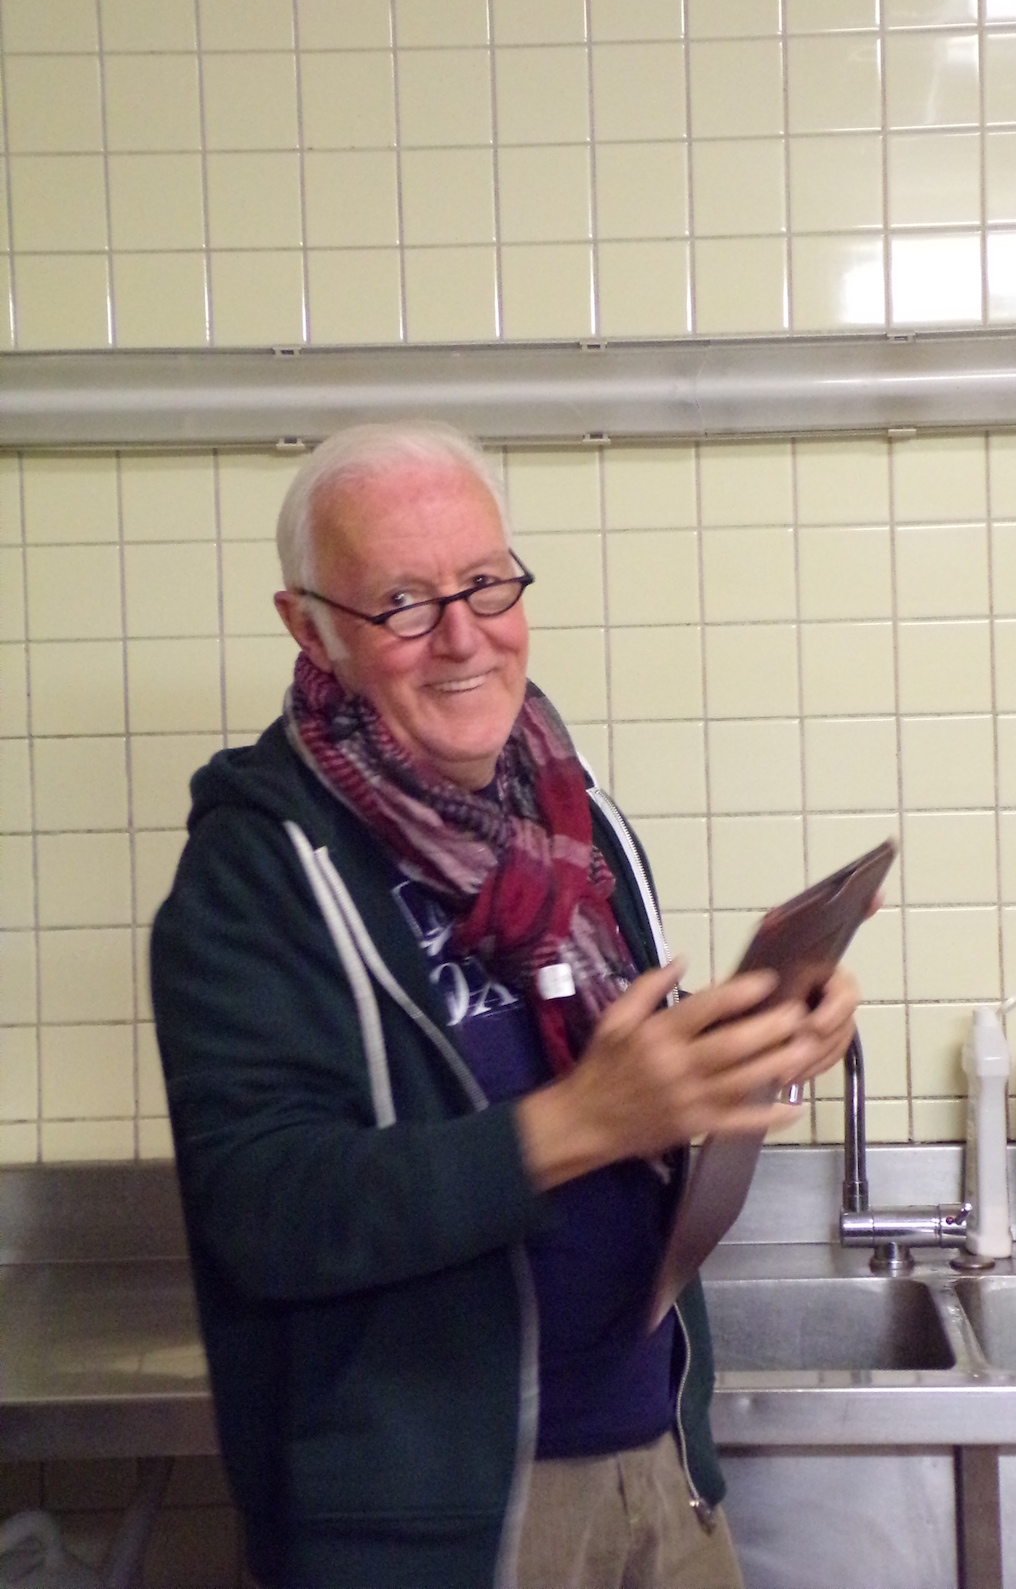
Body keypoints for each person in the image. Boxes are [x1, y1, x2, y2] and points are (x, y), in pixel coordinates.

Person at [151, 423, 861, 1589]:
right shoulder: (256, 872)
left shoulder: (571, 818)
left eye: (486, 582)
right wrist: (580, 1123)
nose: (463, 635)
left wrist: (766, 1033)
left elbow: (622, 1072)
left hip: (658, 1465)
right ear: (310, 627)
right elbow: (266, 1210)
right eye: (402, 602)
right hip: (435, 1532)